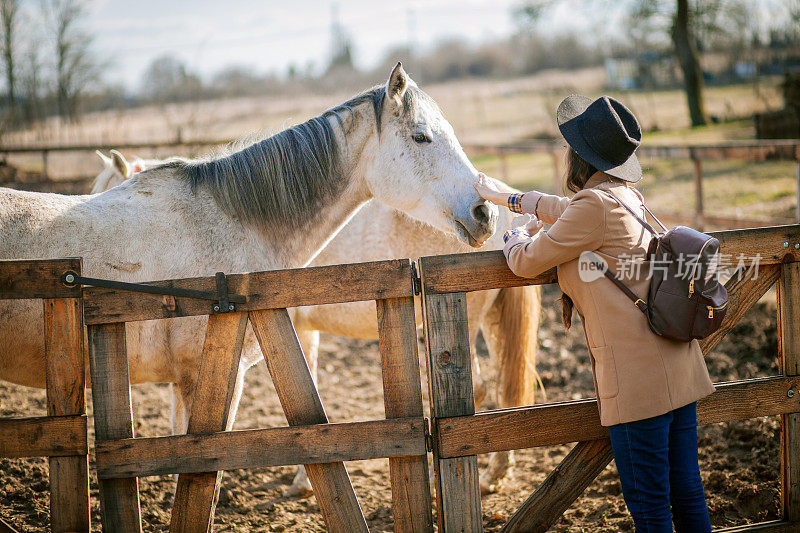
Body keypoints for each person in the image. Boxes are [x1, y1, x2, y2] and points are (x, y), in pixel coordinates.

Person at [474, 94, 715, 532]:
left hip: (638, 383)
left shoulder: (594, 207)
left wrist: (513, 238)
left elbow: (526, 261)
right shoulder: (626, 197)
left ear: (579, 156)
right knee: (688, 494)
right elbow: (572, 213)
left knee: (651, 509)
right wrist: (516, 199)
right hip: (678, 368)